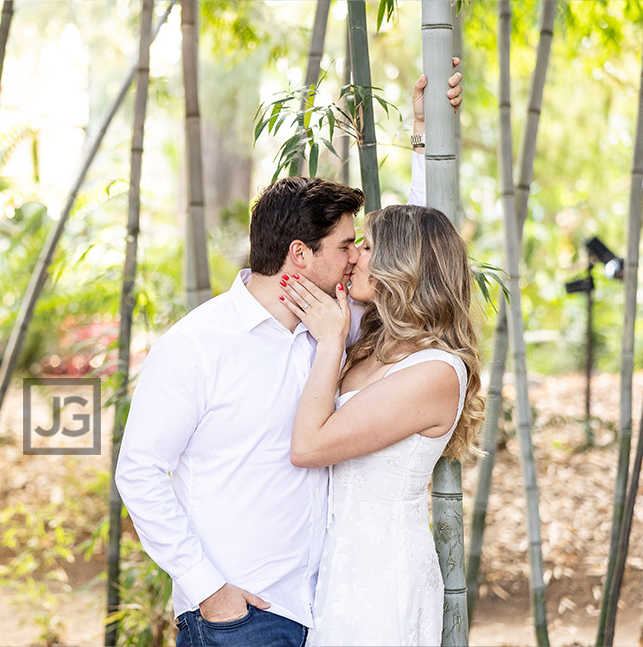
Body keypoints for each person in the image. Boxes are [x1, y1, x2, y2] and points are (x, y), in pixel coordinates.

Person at [115, 68, 462, 647]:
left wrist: (427, 136)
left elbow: (411, 261)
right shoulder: (199, 344)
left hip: (326, 606)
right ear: (301, 255)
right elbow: (140, 473)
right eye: (347, 246)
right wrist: (209, 592)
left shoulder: (339, 327)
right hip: (241, 613)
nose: (357, 259)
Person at [278, 204, 485, 646]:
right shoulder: (372, 346)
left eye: (366, 246)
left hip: (383, 573)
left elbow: (309, 447)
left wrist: (331, 340)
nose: (352, 256)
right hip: (336, 563)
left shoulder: (436, 371)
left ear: (403, 265)